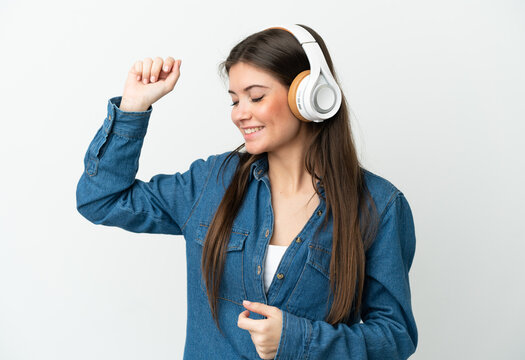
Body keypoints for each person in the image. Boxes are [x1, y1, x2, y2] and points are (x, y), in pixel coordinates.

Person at [76, 24, 418, 360]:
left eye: (255, 97)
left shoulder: (378, 206)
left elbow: (394, 336)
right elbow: (101, 199)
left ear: (310, 97)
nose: (240, 114)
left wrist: (297, 339)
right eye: (234, 101)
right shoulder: (211, 182)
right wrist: (132, 109)